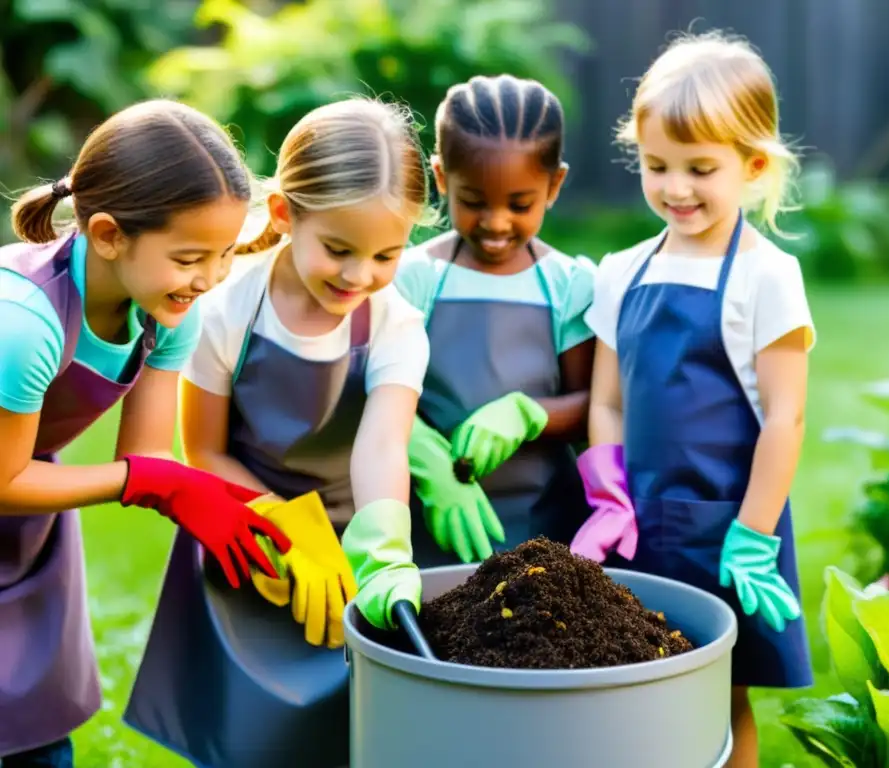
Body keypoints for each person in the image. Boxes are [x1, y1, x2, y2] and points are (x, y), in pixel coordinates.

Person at [123, 97, 432, 768]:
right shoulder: (226, 304)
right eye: (340, 249)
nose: (360, 275)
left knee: (346, 738)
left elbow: (382, 445)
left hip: (346, 555)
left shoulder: (394, 323)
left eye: (387, 253)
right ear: (288, 215)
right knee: (246, 738)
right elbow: (201, 450)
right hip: (246, 540)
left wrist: (382, 545)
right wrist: (282, 526)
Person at [0, 100, 290, 768]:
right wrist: (151, 484)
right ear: (107, 234)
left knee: (37, 733)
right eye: (191, 256)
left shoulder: (167, 311)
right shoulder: (26, 322)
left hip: (28, 522)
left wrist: (225, 499)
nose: (211, 278)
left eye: (223, 255)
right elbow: (7, 477)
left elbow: (144, 457)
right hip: (15, 484)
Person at [569, 31, 815, 767]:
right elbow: (607, 401)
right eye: (656, 166)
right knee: (632, 685)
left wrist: (754, 534)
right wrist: (607, 496)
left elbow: (786, 416)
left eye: (700, 169)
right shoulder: (620, 271)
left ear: (754, 164)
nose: (676, 188)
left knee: (721, 694)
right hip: (639, 526)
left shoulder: (766, 278)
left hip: (728, 530)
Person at [394, 74, 596, 566]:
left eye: (520, 204)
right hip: (431, 522)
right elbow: (373, 387)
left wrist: (528, 414)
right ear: (441, 178)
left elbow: (594, 407)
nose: (497, 222)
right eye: (474, 201)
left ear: (555, 185)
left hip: (544, 533)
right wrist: (426, 460)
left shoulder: (568, 285)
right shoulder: (415, 278)